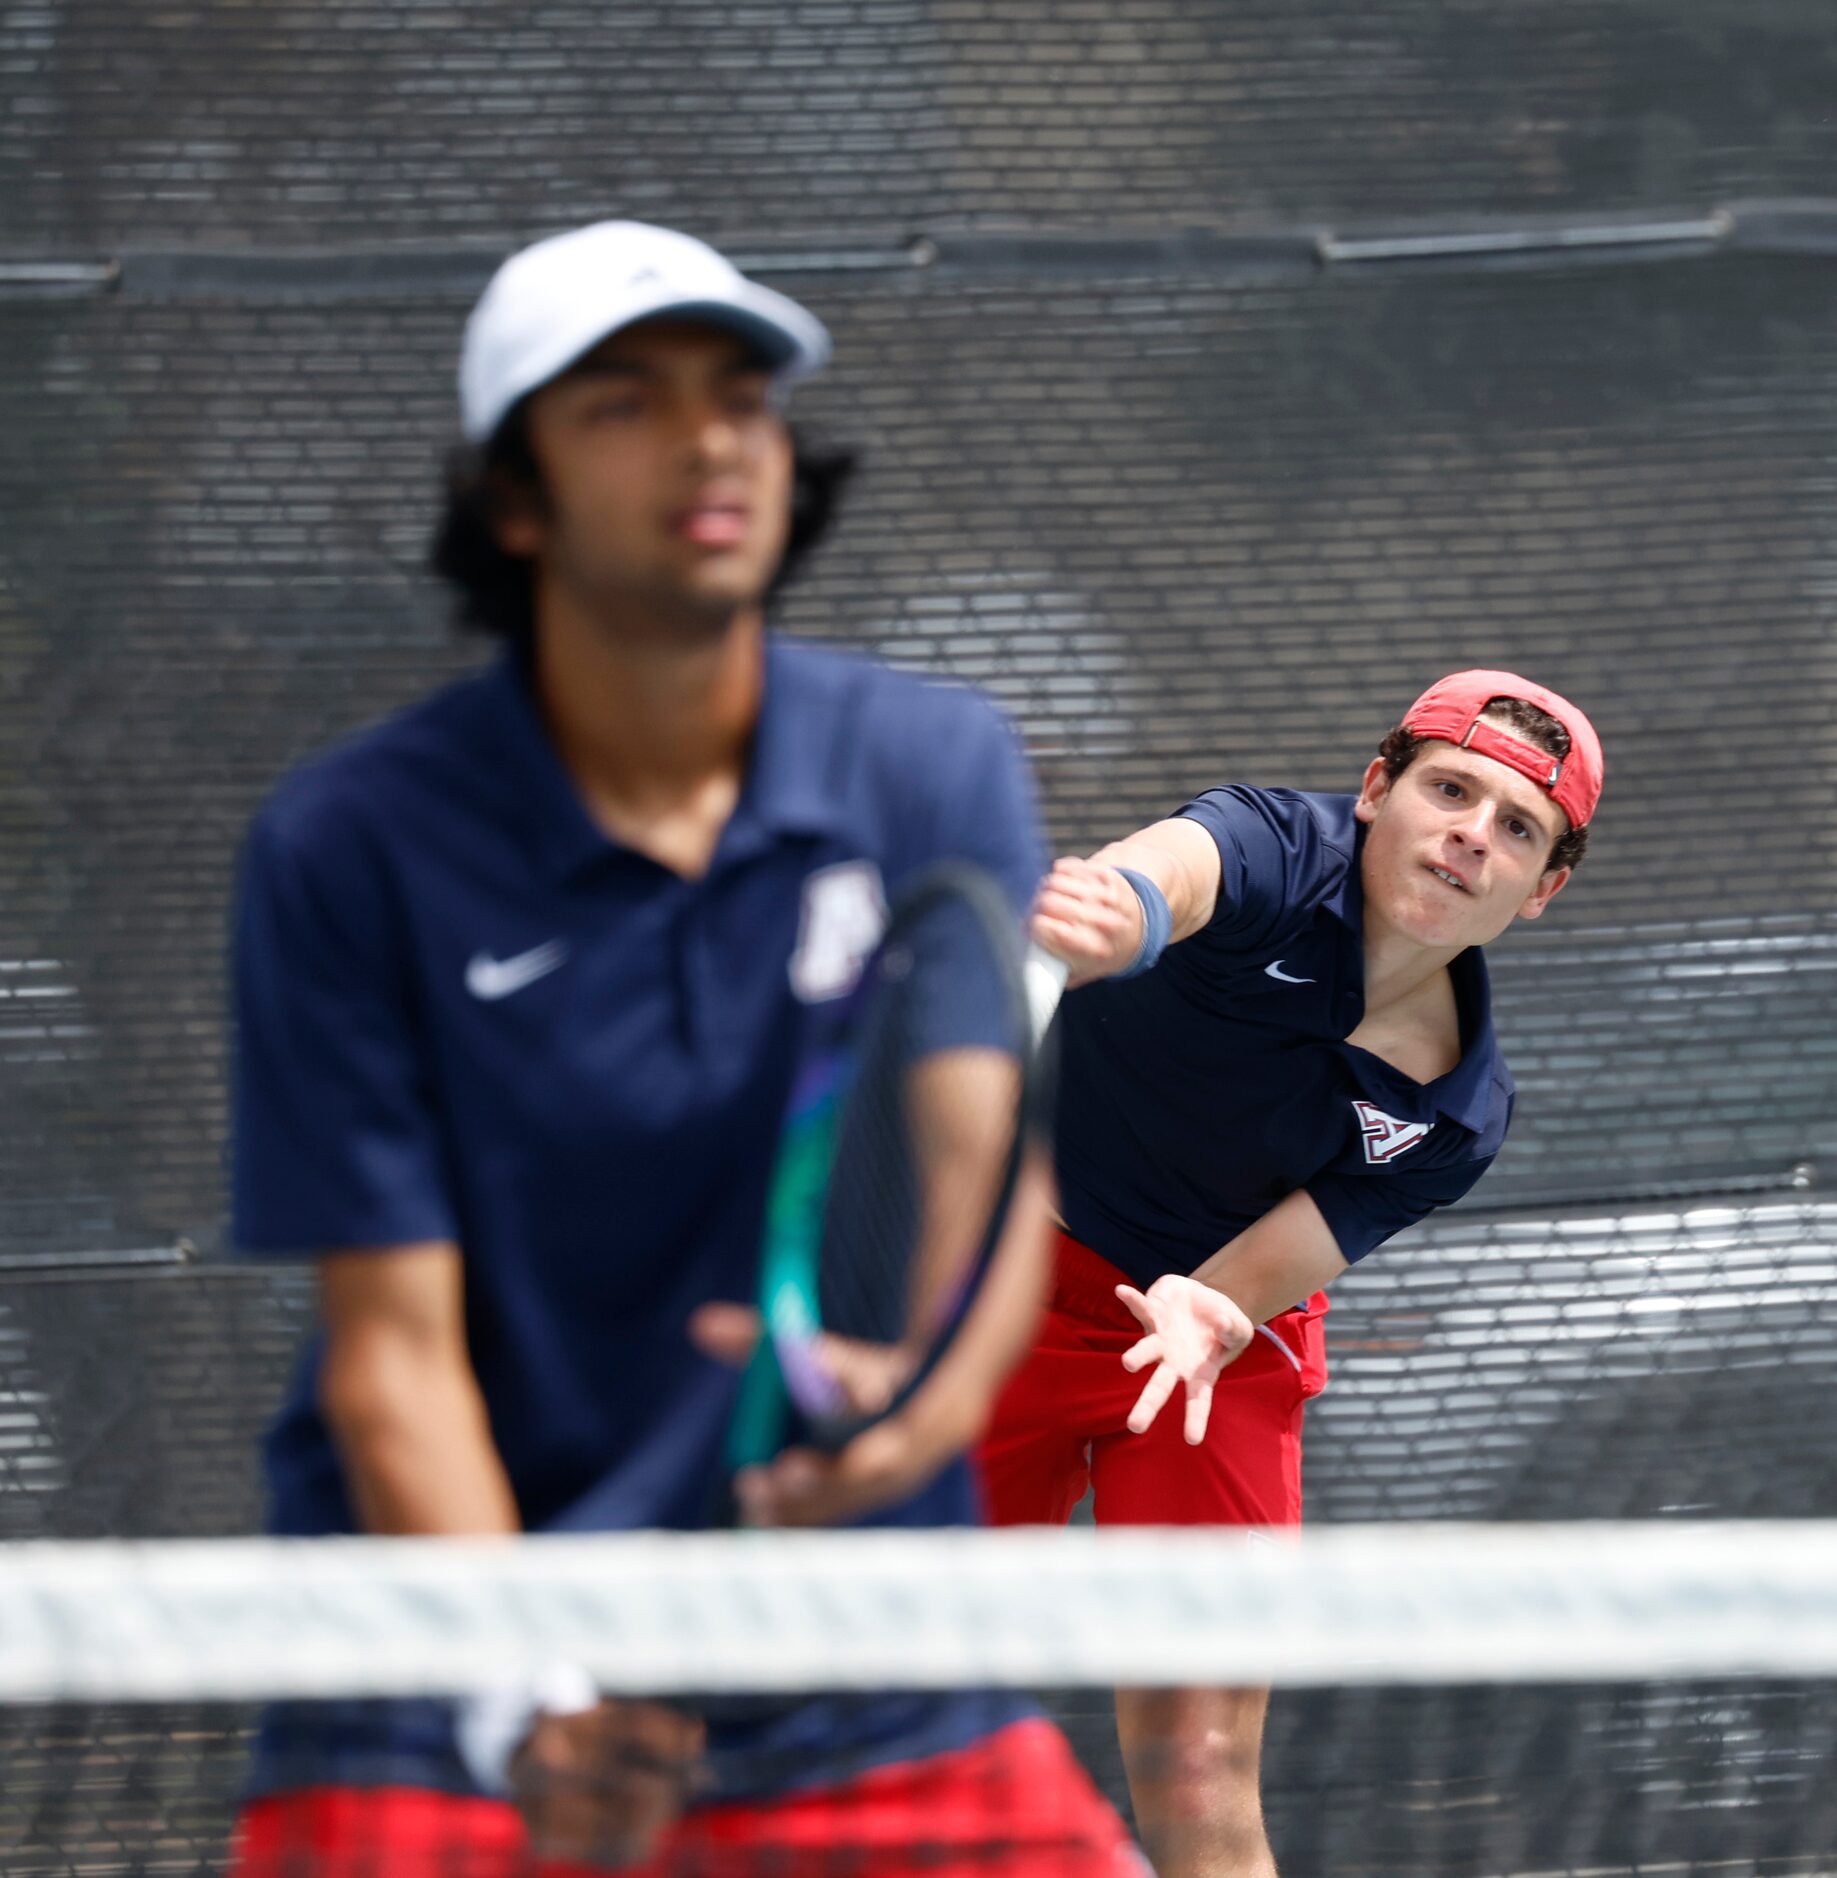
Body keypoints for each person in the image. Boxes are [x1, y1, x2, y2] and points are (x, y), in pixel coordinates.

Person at [226, 219, 1138, 1878]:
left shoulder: (930, 766)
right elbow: (390, 1355)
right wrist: (529, 1701)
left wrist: (904, 1416)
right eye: (623, 403)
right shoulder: (350, 845)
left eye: (743, 396)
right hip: (446, 1699)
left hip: (861, 1678)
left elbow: (987, 1177)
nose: (709, 435)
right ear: (514, 499)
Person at [979, 671, 1604, 1877]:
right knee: (876, 1695)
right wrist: (1121, 913)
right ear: (1377, 792)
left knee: (1199, 1771)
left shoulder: (1458, 1118)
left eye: (1517, 828)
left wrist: (1210, 1310)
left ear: (1543, 888)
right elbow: (1167, 870)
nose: (1473, 832)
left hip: (1216, 1351)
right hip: (1007, 1300)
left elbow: (1256, 1276)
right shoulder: (1271, 848)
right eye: (1449, 791)